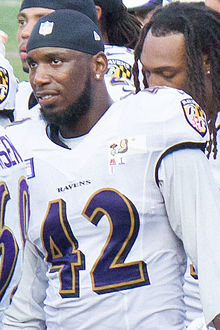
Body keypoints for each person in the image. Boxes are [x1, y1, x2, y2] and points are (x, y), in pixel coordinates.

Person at [3, 9, 220, 329]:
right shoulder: (24, 149)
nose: (39, 77)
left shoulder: (154, 125)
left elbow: (211, 253)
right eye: (33, 64)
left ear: (99, 66)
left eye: (56, 61)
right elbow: (29, 302)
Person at [132, 2, 220, 327]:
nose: (153, 87)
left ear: (205, 64)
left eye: (167, 74)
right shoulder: (140, 131)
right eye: (146, 73)